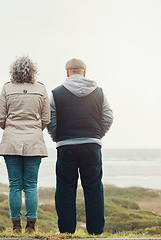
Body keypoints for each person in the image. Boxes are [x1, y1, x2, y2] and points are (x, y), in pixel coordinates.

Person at [47, 58, 113, 235]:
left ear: (67, 72)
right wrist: (97, 134)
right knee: (93, 187)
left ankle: (67, 232)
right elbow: (108, 117)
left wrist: (57, 137)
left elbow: (50, 120)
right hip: (92, 146)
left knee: (65, 188)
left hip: (66, 146)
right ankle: (96, 232)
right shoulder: (99, 92)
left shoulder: (56, 93)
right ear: (84, 72)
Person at [0, 56, 50, 234]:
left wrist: (10, 127)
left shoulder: (7, 88)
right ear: (33, 71)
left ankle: (16, 226)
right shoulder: (41, 89)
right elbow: (46, 119)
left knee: (15, 185)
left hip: (11, 141)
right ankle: (31, 227)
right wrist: (34, 128)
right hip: (34, 141)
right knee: (31, 185)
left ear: (14, 71)